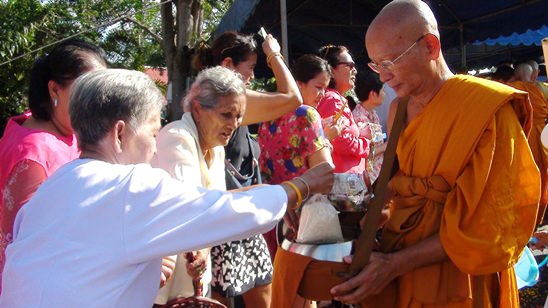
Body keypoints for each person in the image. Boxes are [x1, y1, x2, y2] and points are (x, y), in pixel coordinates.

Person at [0, 68, 333, 307]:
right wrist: (302, 185)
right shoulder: (129, 185)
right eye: (151, 133)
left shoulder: (52, 188)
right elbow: (226, 211)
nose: (154, 148)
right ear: (120, 134)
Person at [329, 1, 540, 306]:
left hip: (463, 272)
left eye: (390, 61)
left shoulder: (487, 110)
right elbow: (402, 179)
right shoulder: (398, 110)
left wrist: (394, 265)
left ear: (429, 46)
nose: (383, 76)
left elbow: (489, 221)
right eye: (376, 65)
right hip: (401, 266)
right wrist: (373, 212)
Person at [192, 31, 302, 306]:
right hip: (228, 220)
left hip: (239, 219)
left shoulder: (219, 100)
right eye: (251, 67)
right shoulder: (223, 100)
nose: (253, 76)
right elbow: (292, 98)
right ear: (228, 65)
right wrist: (273, 53)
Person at [0, 39, 107, 290]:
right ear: (54, 90)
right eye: (85, 91)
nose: (96, 102)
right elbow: (22, 245)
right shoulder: (34, 154)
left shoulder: (62, 130)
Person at [151, 66, 246, 305]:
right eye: (227, 114)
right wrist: (200, 250)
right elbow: (188, 202)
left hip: (193, 274)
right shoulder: (177, 136)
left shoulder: (216, 148)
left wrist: (203, 250)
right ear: (197, 109)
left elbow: (214, 210)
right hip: (162, 272)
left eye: (239, 116)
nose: (234, 124)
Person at [258, 54, 334, 308]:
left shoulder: (266, 118)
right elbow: (324, 172)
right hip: (304, 217)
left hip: (274, 214)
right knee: (305, 293)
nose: (322, 94)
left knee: (282, 292)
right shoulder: (307, 115)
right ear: (298, 84)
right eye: (319, 87)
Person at [316, 45, 368, 175]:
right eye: (349, 65)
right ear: (332, 71)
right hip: (341, 183)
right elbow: (340, 140)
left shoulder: (334, 98)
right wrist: (367, 143)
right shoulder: (332, 99)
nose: (354, 70)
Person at [511, 62, 548, 227]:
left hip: (520, 137)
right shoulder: (543, 89)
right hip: (542, 135)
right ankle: (538, 217)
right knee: (541, 176)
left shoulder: (511, 90)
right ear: (535, 74)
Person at [352, 69, 387, 183]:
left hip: (376, 171)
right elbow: (363, 152)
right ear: (373, 94)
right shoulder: (359, 118)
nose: (384, 94)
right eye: (382, 90)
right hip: (367, 178)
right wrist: (386, 146)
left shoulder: (372, 113)